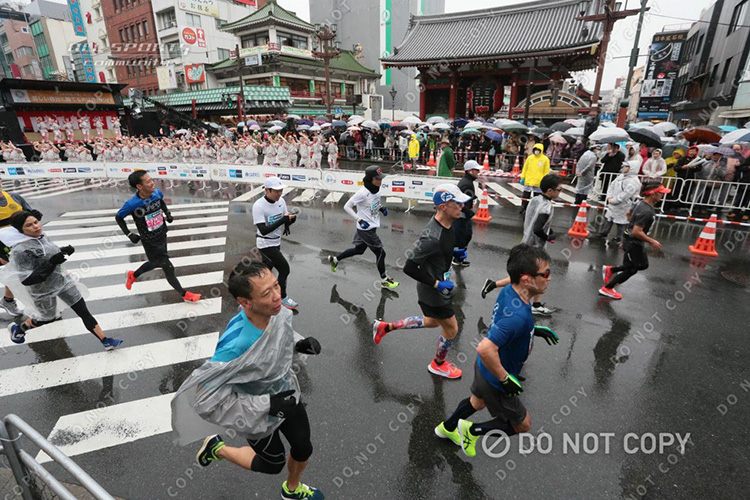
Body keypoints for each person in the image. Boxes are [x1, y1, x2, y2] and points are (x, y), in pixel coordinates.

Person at [172, 260, 324, 500]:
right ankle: (217, 448)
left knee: (303, 447)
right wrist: (268, 405)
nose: (277, 296)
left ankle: (292, 491)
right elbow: (206, 401)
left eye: (276, 286)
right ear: (245, 302)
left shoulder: (277, 310)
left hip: (286, 392)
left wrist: (299, 344)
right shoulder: (235, 346)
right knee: (272, 464)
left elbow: (280, 337)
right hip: (256, 412)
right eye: (267, 293)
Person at [435, 244, 559, 457]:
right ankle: (472, 431)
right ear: (527, 279)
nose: (550, 278)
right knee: (523, 425)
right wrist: (505, 379)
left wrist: (534, 330)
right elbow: (485, 348)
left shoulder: (513, 290)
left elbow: (504, 325)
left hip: (484, 368)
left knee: (477, 402)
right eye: (545, 274)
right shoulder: (517, 317)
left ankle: (446, 428)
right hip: (496, 372)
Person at [372, 183, 471, 380]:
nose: (462, 207)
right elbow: (409, 267)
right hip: (433, 291)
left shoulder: (448, 224)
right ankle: (438, 364)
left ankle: (386, 327)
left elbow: (439, 252)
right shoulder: (431, 238)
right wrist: (436, 284)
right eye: (457, 203)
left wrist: (451, 253)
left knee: (432, 322)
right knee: (452, 328)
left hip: (437, 286)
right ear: (443, 207)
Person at [5, 211, 123, 349]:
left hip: (63, 282)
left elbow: (46, 253)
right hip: (42, 291)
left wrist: (63, 251)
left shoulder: (42, 236)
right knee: (48, 318)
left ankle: (105, 341)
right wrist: (51, 263)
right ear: (21, 230)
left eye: (36, 222)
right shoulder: (20, 250)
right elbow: (27, 279)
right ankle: (20, 329)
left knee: (83, 312)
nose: (36, 227)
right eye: (29, 225)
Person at [480, 174, 562, 316]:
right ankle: (494, 286)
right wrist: (549, 237)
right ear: (550, 190)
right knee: (532, 276)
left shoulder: (535, 199)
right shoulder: (546, 207)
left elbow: (536, 222)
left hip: (527, 241)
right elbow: (538, 229)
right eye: (559, 190)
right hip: (535, 247)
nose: (560, 192)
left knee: (533, 276)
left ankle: (535, 304)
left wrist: (548, 230)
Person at [116, 171, 202, 302]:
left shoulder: (156, 193)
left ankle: (133, 275)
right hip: (149, 240)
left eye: (152, 180)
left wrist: (167, 213)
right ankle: (185, 294)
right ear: (139, 186)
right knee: (167, 266)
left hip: (162, 233)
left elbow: (161, 202)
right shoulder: (132, 204)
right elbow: (119, 217)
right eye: (148, 181)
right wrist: (129, 234)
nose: (152, 183)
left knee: (156, 262)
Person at [327, 166, 399, 290]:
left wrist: (381, 208)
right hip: (365, 228)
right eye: (377, 179)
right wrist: (359, 219)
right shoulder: (362, 193)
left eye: (381, 178)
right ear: (370, 179)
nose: (380, 181)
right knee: (381, 252)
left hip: (372, 225)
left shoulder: (377, 188)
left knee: (359, 250)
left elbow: (374, 202)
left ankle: (335, 259)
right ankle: (384, 280)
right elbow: (347, 206)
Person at [599, 180, 668, 299]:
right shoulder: (646, 210)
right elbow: (637, 231)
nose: (662, 195)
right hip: (633, 242)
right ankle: (607, 288)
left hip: (632, 240)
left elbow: (628, 214)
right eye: (660, 193)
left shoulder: (641, 203)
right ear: (653, 194)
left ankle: (611, 270)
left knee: (640, 265)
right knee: (633, 268)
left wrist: (631, 227)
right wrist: (652, 241)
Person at [253, 177, 299, 310]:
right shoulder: (259, 206)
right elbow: (264, 230)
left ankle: (255, 294)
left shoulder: (281, 201)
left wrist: (289, 222)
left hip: (276, 241)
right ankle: (282, 297)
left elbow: (284, 218)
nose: (280, 193)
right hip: (265, 244)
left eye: (281, 190)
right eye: (277, 191)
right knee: (284, 269)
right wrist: (282, 220)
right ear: (267, 190)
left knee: (266, 271)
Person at [0, 186, 42, 317]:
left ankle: (8, 300)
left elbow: (29, 215)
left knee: (28, 271)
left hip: (23, 240)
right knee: (16, 273)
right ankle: (9, 301)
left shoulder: (14, 197)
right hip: (3, 244)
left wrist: (34, 214)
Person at [593, 160, 642, 244]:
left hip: (623, 205)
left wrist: (614, 200)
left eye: (626, 167)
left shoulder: (634, 182)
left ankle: (619, 237)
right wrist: (609, 197)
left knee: (621, 222)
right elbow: (612, 185)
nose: (623, 168)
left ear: (632, 168)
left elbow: (625, 195)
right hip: (613, 203)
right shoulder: (621, 176)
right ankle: (604, 233)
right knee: (609, 218)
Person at [452, 160, 479, 266]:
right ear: (470, 171)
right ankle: (457, 259)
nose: (478, 172)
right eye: (476, 170)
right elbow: (460, 201)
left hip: (462, 214)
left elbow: (466, 196)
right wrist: (469, 213)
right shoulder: (466, 183)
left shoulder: (467, 182)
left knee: (464, 237)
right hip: (462, 216)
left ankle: (458, 258)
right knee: (464, 237)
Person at [519, 143, 550, 214]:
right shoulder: (530, 158)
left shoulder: (545, 159)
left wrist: (544, 181)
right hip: (528, 181)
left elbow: (546, 171)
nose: (536, 151)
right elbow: (525, 168)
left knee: (537, 197)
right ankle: (523, 207)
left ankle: (536, 209)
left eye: (538, 150)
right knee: (525, 196)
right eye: (535, 149)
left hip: (538, 182)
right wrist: (522, 177)